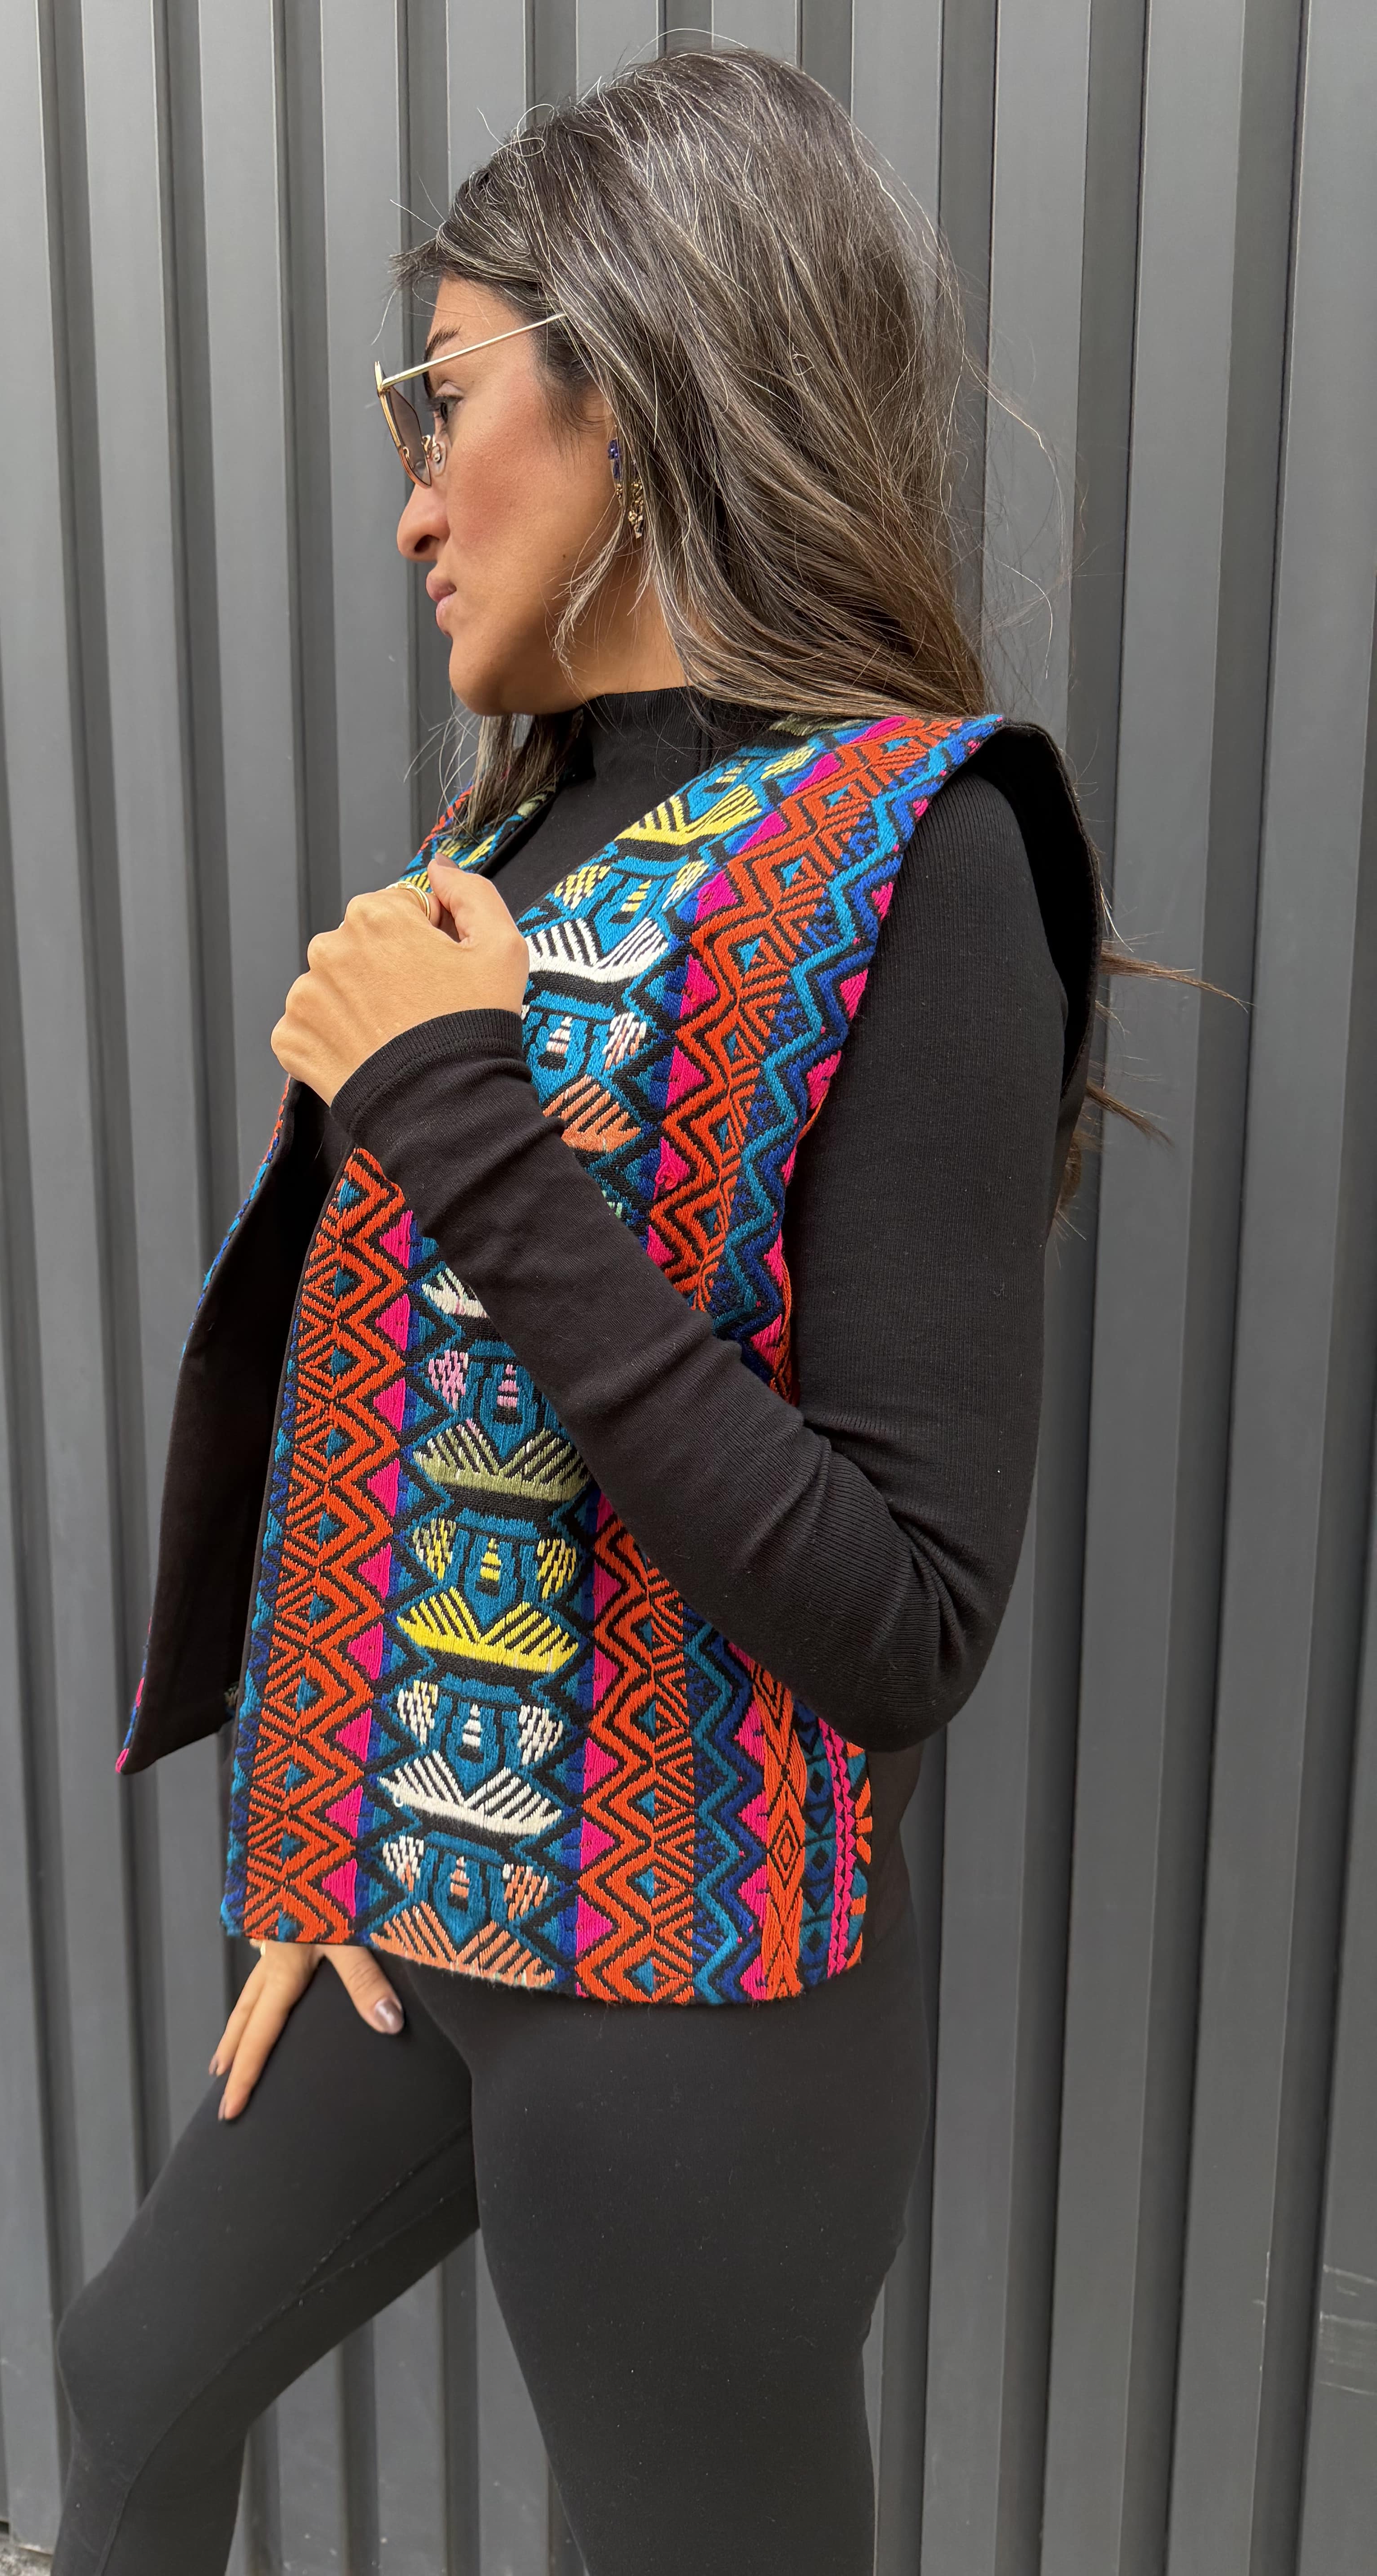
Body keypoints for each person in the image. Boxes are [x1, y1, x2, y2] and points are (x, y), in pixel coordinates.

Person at [54, 46, 1102, 2576]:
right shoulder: (512, 830)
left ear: (631, 378)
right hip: (416, 1920)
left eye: (442, 394)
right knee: (135, 2373)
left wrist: (468, 1123)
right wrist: (323, 1833)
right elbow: (397, 1415)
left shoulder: (924, 846)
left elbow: (900, 1623)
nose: (413, 496)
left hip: (697, 2011)